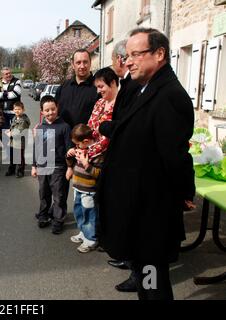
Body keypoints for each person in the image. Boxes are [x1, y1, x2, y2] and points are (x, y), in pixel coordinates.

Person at [97, 28, 195, 300]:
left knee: (152, 280)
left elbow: (175, 157)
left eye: (135, 55)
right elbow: (137, 133)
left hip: (151, 213)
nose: (127, 62)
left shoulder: (169, 96)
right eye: (127, 56)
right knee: (144, 276)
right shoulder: (146, 89)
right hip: (139, 209)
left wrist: (185, 193)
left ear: (159, 54)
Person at [98, 40, 143, 291]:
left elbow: (129, 127)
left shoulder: (138, 87)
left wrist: (107, 127)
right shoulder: (132, 84)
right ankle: (131, 262)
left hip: (137, 170)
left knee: (142, 232)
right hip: (127, 165)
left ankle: (141, 277)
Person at [31, 95, 72, 235]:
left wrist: (70, 167)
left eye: (52, 109)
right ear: (42, 112)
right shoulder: (40, 128)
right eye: (47, 110)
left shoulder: (65, 127)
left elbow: (69, 150)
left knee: (59, 195)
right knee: (44, 193)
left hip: (59, 167)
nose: (50, 113)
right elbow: (36, 148)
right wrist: (34, 165)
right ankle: (43, 215)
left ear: (57, 108)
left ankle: (58, 220)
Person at [66, 124, 104, 253]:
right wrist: (69, 156)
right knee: (79, 212)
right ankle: (83, 232)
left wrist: (86, 164)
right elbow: (71, 163)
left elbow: (98, 173)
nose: (77, 146)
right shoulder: (82, 149)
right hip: (78, 188)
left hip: (88, 191)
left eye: (78, 144)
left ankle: (91, 239)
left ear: (86, 141)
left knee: (89, 214)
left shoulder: (97, 154)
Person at [55, 49, 99, 129]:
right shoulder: (63, 87)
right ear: (72, 65)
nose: (82, 66)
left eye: (85, 62)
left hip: (86, 140)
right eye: (78, 62)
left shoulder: (98, 88)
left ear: (90, 63)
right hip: (62, 139)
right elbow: (53, 114)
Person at [5, 101, 30, 178]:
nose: (17, 111)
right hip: (13, 142)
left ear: (23, 110)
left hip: (20, 142)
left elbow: (19, 131)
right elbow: (13, 127)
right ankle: (12, 169)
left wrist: (10, 134)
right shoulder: (15, 117)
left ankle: (20, 171)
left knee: (19, 157)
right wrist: (9, 130)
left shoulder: (24, 120)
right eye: (15, 109)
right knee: (12, 156)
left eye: (19, 109)